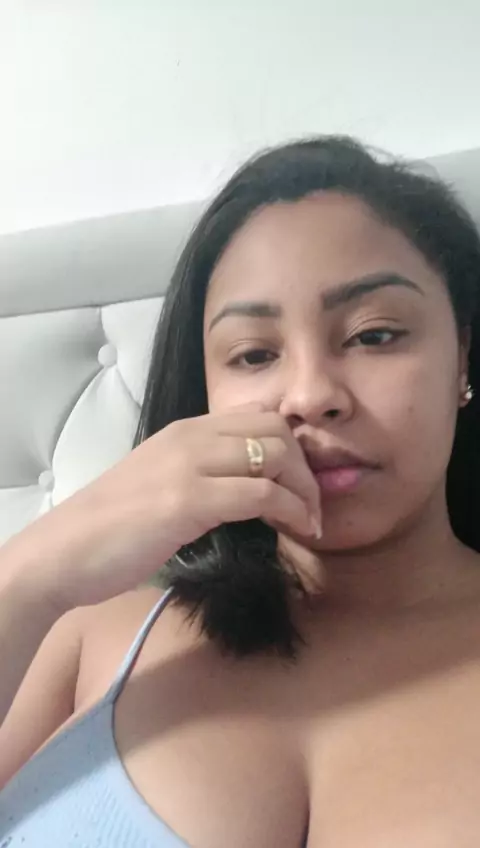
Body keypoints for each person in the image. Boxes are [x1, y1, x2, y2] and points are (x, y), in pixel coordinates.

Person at [1, 135, 480, 847]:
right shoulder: (81, 634)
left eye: (374, 335)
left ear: (462, 355)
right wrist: (34, 571)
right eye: (254, 354)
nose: (310, 395)